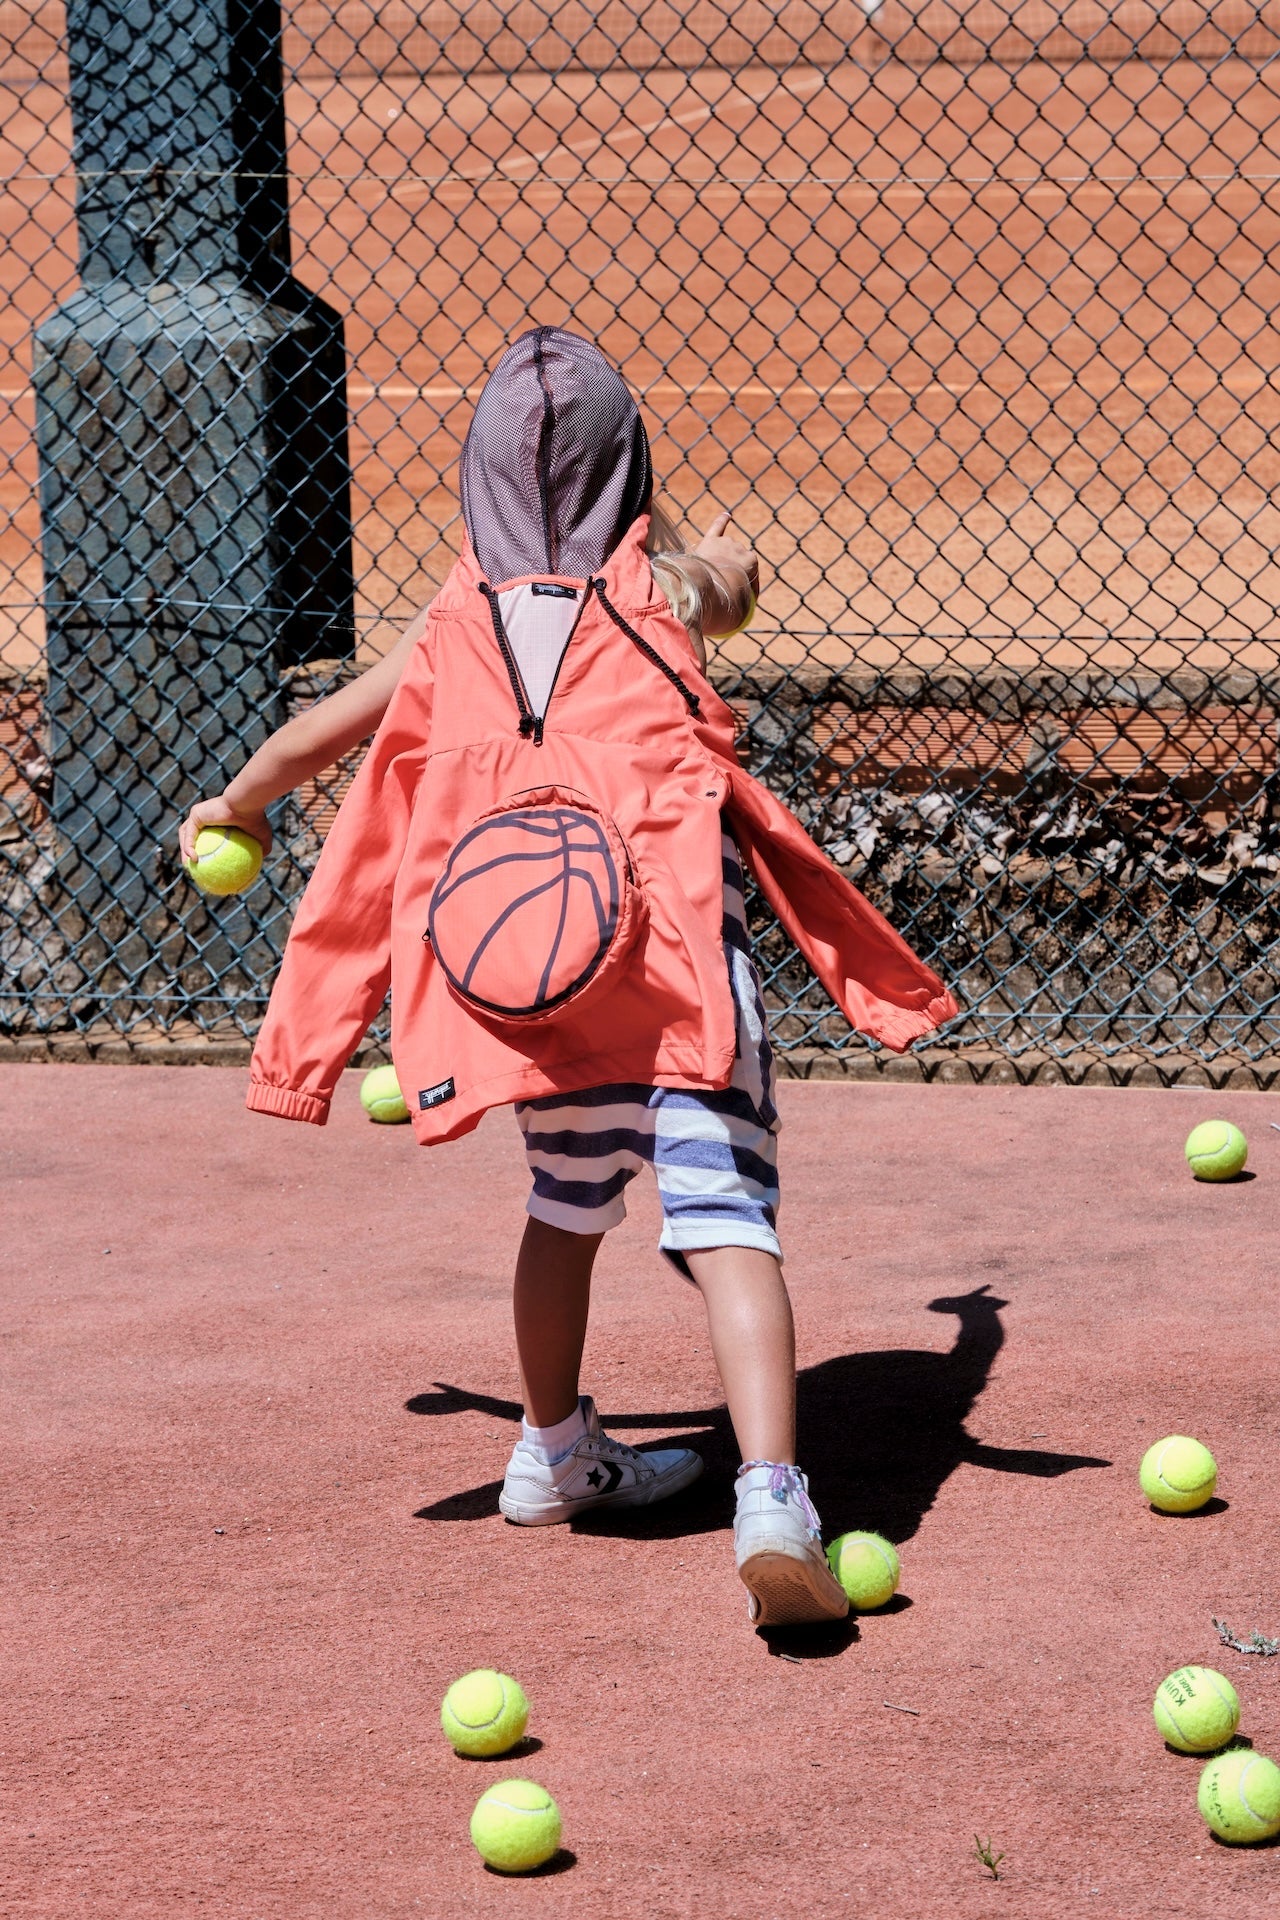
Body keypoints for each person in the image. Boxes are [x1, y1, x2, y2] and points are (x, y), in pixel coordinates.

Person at [179, 327, 955, 1627]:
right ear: (628, 481)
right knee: (728, 1224)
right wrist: (726, 560)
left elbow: (314, 737)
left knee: (564, 1209)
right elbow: (729, 580)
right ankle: (772, 1492)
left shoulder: (449, 631)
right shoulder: (652, 596)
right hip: (674, 978)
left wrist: (241, 805)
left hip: (536, 993)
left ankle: (550, 1451)